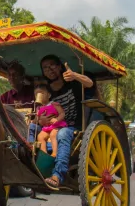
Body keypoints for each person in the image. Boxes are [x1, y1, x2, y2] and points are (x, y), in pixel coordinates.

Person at [40, 54, 94, 188]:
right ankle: (39, 169)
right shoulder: (46, 91)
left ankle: (58, 174)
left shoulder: (72, 81)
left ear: (59, 66)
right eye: (45, 68)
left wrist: (75, 75)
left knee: (62, 133)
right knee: (32, 132)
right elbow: (40, 111)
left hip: (73, 127)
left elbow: (90, 83)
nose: (49, 69)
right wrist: (40, 119)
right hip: (51, 128)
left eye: (52, 65)